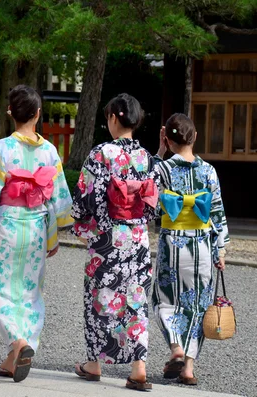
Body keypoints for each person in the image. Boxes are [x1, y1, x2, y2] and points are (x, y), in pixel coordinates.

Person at [0, 85, 73, 382]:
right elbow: (59, 199)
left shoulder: (0, 149)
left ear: (10, 112)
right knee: (29, 293)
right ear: (38, 114)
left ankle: (18, 341)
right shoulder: (50, 151)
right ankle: (12, 359)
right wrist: (54, 237)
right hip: (37, 227)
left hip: (8, 226)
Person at [71, 93, 159, 391]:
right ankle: (139, 369)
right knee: (135, 300)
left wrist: (86, 228)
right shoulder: (146, 157)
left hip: (109, 237)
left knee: (100, 298)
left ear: (113, 118)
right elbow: (151, 203)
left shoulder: (101, 154)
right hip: (137, 238)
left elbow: (86, 198)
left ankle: (94, 364)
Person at [151, 113, 229, 386]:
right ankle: (189, 369)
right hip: (203, 245)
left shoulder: (162, 169)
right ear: (194, 137)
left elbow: (146, 193)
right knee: (198, 305)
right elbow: (217, 211)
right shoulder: (208, 171)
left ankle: (176, 348)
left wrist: (159, 153)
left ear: (168, 140)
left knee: (165, 299)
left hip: (173, 241)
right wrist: (221, 249)